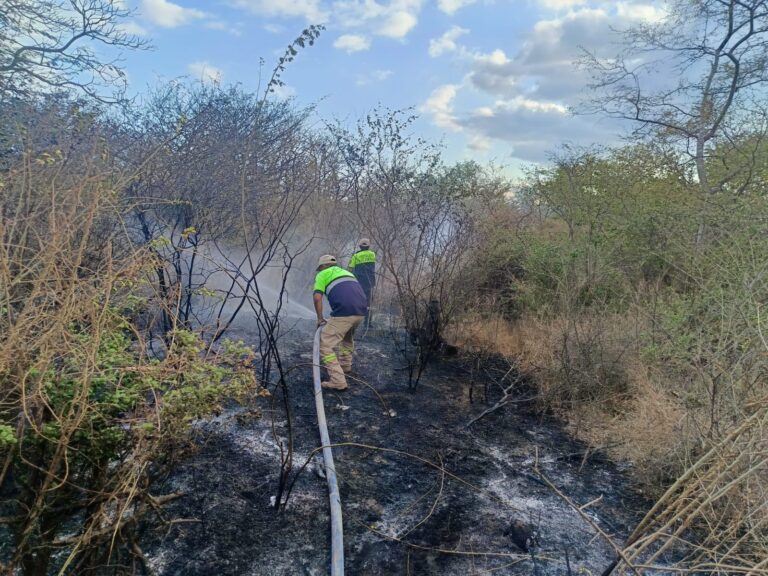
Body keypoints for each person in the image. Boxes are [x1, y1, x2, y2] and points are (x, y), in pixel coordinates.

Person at [313, 254, 368, 390]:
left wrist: (320, 318)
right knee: (347, 338)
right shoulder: (347, 273)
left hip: (345, 312)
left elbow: (317, 297)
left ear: (323, 266)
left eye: (320, 268)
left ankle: (338, 380)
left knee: (325, 344)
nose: (320, 271)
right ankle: (345, 366)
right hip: (361, 311)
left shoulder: (323, 274)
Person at [347, 238, 376, 328]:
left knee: (355, 301)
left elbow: (350, 268)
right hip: (369, 282)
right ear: (368, 246)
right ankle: (367, 323)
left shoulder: (356, 256)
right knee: (368, 302)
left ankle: (353, 321)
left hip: (358, 282)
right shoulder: (372, 254)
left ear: (360, 246)